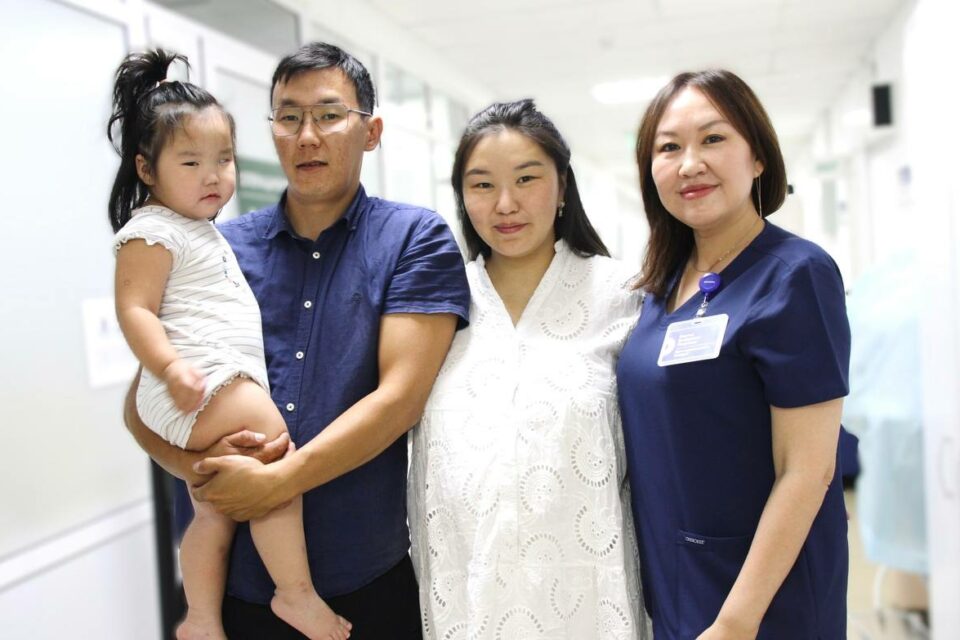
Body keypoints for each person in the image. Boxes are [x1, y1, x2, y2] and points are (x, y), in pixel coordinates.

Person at [122, 42, 470, 640]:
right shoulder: (217, 247)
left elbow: (400, 400)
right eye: (289, 117)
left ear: (370, 131)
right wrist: (204, 472)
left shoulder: (414, 238)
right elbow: (141, 403)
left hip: (364, 576)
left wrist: (278, 481)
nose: (307, 136)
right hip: (236, 587)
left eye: (329, 115)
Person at [109, 49, 350, 640]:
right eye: (191, 162)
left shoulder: (200, 230)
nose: (213, 175)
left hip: (198, 383)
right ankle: (294, 592)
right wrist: (170, 368)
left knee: (214, 510)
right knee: (273, 452)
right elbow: (134, 310)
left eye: (223, 159)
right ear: (146, 170)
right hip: (192, 381)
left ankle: (199, 617)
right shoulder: (152, 231)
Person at [616, 70, 851, 639]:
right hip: (677, 577)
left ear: (758, 157)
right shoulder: (659, 286)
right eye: (668, 148)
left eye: (713, 138)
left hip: (762, 595)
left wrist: (735, 622)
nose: (690, 164)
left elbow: (808, 470)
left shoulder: (796, 275)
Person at [409, 99, 647, 639]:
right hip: (469, 597)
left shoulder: (623, 294)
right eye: (482, 185)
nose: (506, 204)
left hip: (591, 600)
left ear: (562, 187)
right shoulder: (438, 305)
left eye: (526, 178)